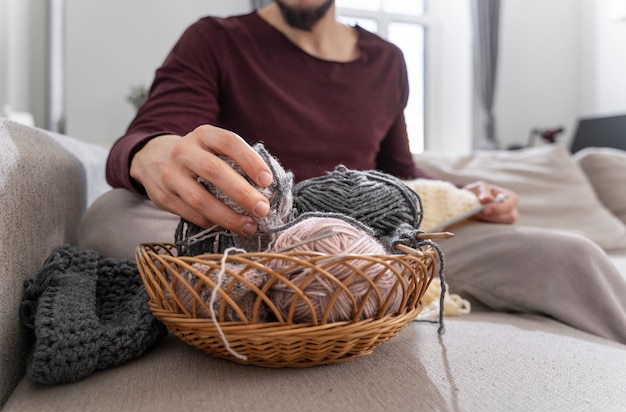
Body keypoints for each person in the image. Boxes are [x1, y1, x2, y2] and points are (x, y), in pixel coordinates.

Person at [78, 0, 626, 344]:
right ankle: (324, 283)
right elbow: (151, 133)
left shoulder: (387, 60)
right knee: (110, 218)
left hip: (384, 240)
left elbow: (400, 173)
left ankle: (341, 281)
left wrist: (467, 195)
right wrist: (148, 151)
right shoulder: (216, 39)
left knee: (571, 253)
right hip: (260, 235)